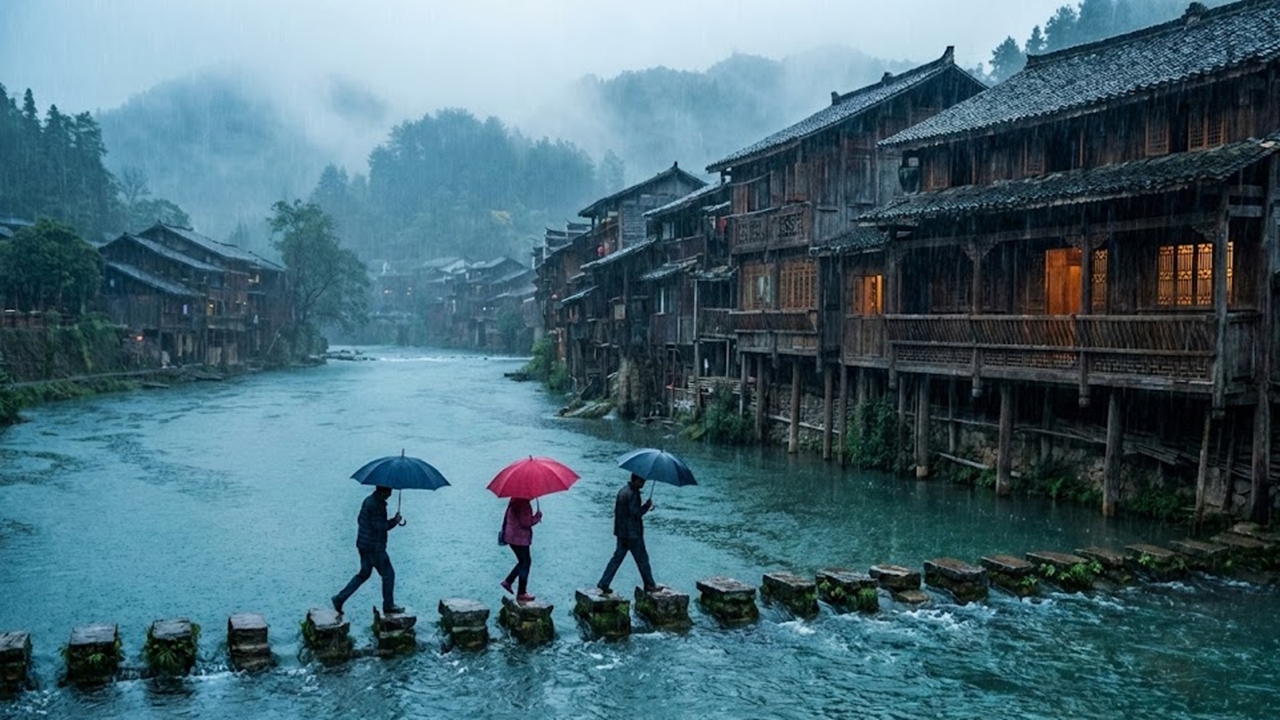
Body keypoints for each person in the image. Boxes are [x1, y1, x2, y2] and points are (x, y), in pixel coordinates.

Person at [332, 485, 403, 615]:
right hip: (374, 547)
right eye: (389, 491)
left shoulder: (368, 500)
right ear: (383, 491)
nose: (391, 494)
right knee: (388, 574)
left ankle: (339, 598)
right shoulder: (377, 505)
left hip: (363, 545)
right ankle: (388, 605)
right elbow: (379, 527)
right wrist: (394, 521)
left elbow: (361, 520)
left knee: (364, 574)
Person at [596, 473, 657, 594]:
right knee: (642, 559)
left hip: (621, 533)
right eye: (642, 480)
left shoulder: (623, 491)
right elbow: (635, 514)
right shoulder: (633, 494)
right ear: (636, 480)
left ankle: (604, 582)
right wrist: (646, 506)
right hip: (633, 534)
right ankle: (649, 584)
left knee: (616, 559)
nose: (644, 483)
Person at [499, 497, 542, 603]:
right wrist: (537, 517)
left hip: (511, 536)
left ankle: (509, 582)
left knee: (524, 562)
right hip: (519, 538)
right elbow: (525, 522)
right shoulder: (523, 503)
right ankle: (521, 593)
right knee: (526, 562)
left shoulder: (514, 500)